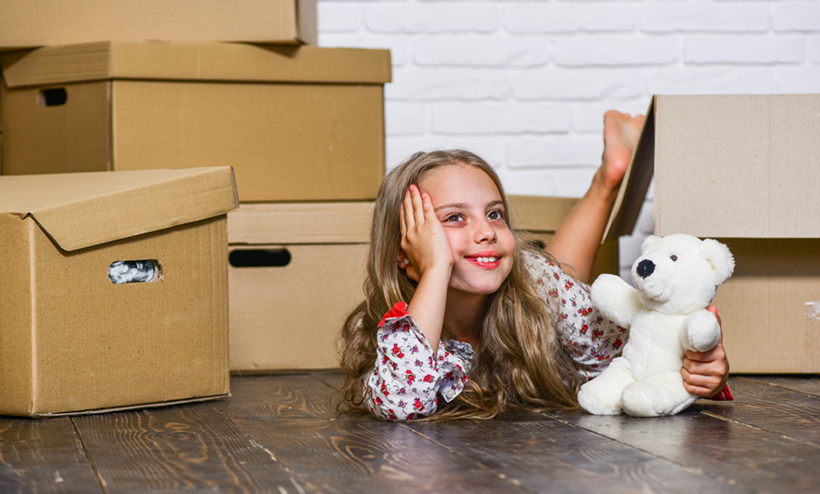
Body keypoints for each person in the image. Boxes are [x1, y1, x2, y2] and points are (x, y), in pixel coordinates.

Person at [336, 111, 730, 421]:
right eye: (454, 217)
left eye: (495, 214)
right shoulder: (389, 328)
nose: (486, 231)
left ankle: (609, 177)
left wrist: (699, 370)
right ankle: (608, 177)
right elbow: (401, 403)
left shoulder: (541, 288)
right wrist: (436, 266)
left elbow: (635, 354)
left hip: (540, 284)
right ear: (404, 251)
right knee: (549, 273)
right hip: (522, 278)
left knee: (550, 278)